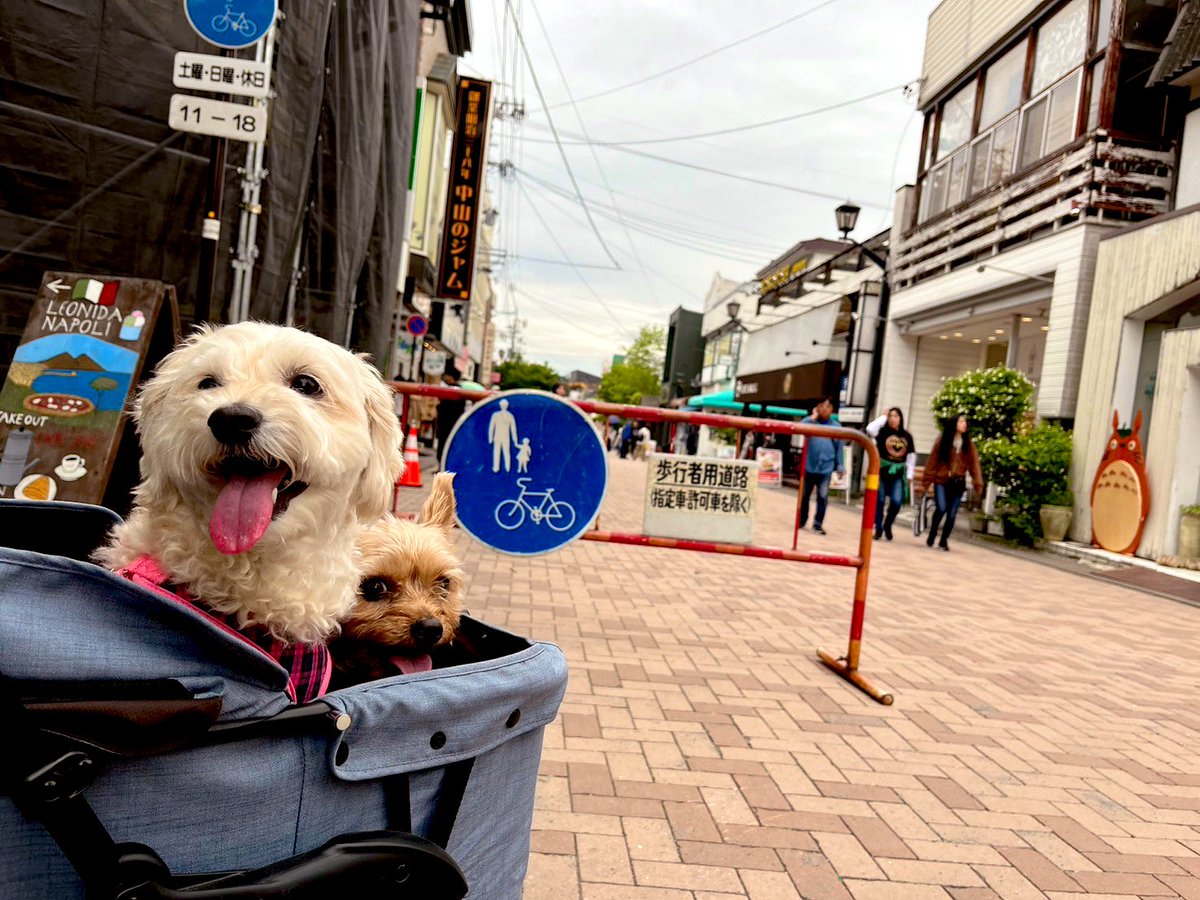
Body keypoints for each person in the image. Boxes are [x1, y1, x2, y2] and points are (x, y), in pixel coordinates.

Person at [924, 415, 983, 551]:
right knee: (941, 508)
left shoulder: (968, 445)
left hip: (958, 483)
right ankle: (933, 533)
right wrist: (927, 480)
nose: (964, 424)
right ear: (954, 424)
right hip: (941, 481)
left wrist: (977, 482)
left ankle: (943, 541)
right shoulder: (942, 441)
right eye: (961, 421)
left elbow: (974, 465)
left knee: (952, 513)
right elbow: (932, 462)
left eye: (965, 422)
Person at [866, 407, 916, 541]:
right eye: (891, 416)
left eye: (896, 416)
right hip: (881, 471)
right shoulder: (882, 432)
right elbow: (870, 429)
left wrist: (910, 475)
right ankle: (878, 529)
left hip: (898, 474)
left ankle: (888, 524)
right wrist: (883, 417)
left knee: (896, 501)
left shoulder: (906, 436)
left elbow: (911, 457)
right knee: (880, 500)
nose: (893, 419)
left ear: (901, 419)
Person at [797, 399, 844, 536]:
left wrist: (840, 465)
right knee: (804, 495)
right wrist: (812, 417)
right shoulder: (810, 423)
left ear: (832, 409)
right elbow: (799, 427)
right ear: (816, 407)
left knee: (823, 496)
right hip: (809, 466)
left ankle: (818, 524)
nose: (825, 408)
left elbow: (839, 448)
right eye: (822, 406)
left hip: (826, 468)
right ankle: (802, 520)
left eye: (828, 406)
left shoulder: (836, 426)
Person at [434, 366, 467, 470]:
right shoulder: (462, 391)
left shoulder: (448, 391)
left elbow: (442, 407)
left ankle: (442, 466)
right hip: (455, 424)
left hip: (445, 423)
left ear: (451, 377)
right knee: (452, 445)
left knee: (443, 446)